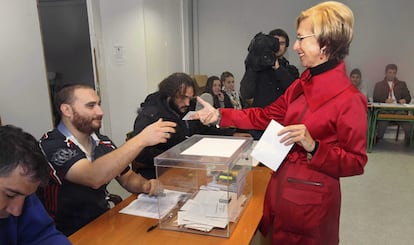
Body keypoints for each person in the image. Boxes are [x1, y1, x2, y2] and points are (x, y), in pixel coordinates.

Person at [194, 2, 367, 244]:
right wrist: (221, 115)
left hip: (311, 206)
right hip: (280, 189)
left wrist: (314, 147)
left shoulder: (350, 99)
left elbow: (356, 162)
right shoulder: (301, 84)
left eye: (300, 39)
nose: (295, 47)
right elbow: (264, 115)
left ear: (325, 44)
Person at [37, 84, 176, 236]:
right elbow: (92, 177)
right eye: (91, 106)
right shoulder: (51, 144)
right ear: (67, 110)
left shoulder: (103, 142)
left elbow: (127, 177)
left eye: (99, 104)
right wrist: (140, 140)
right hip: (65, 233)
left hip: (102, 221)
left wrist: (146, 185)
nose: (100, 112)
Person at [0, 125, 70, 244]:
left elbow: (45, 236)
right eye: (10, 195)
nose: (17, 211)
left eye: (26, 197)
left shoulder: (21, 192)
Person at [132, 72, 201, 179]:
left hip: (184, 167)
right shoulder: (151, 115)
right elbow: (140, 152)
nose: (187, 103)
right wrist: (173, 156)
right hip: (157, 173)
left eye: (190, 98)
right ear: (170, 95)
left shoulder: (183, 107)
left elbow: (196, 129)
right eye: (183, 98)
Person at [240, 29, 299, 139]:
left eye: (281, 43)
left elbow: (294, 92)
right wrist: (253, 63)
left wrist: (277, 68)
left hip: (283, 125)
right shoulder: (258, 69)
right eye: (274, 42)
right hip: (260, 125)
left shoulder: (291, 70)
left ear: (286, 48)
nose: (278, 46)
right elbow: (246, 93)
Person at [373, 64, 412, 145]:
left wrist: (404, 100)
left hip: (399, 110)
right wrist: (385, 100)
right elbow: (375, 98)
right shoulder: (379, 84)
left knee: (408, 125)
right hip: (385, 110)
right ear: (386, 73)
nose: (392, 75)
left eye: (394, 73)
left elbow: (408, 97)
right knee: (382, 124)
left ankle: (409, 139)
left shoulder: (402, 84)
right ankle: (378, 138)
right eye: (390, 72)